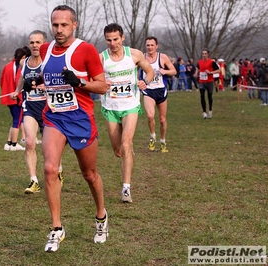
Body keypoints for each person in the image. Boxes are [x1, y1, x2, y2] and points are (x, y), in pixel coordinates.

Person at [38, 4, 109, 252]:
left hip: (80, 119)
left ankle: (101, 216)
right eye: (55, 25)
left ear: (74, 25)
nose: (59, 29)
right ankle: (56, 228)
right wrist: (34, 81)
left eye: (64, 25)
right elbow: (49, 79)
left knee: (89, 175)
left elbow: (102, 86)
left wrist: (79, 82)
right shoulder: (46, 50)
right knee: (49, 168)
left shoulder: (86, 50)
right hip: (54, 117)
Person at [99, 23, 154, 203]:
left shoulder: (134, 54)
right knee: (118, 151)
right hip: (111, 107)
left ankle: (126, 189)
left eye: (116, 39)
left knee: (126, 143)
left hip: (130, 105)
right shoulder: (102, 58)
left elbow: (150, 70)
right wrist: (101, 85)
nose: (112, 43)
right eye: (109, 40)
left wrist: (145, 81)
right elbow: (93, 79)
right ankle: (128, 155)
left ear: (122, 38)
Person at [11, 30, 64, 194]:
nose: (35, 45)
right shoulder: (24, 62)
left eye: (38, 42)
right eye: (32, 42)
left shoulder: (49, 62)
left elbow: (59, 83)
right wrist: (17, 90)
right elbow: (21, 78)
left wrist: (42, 86)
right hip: (30, 108)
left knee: (51, 148)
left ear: (44, 44)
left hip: (49, 109)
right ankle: (34, 181)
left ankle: (58, 171)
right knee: (29, 142)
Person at [140, 36, 177, 153]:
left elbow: (174, 71)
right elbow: (133, 71)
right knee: (150, 116)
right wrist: (138, 81)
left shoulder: (163, 57)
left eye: (152, 45)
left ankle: (162, 140)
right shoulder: (142, 58)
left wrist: (165, 71)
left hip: (161, 90)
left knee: (162, 119)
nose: (150, 47)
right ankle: (152, 137)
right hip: (148, 90)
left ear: (157, 46)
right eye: (148, 45)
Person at [0, 48, 27, 151]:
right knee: (18, 120)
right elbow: (18, 81)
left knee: (15, 119)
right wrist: (18, 93)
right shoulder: (19, 67)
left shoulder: (6, 66)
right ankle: (14, 144)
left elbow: (1, 80)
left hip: (7, 97)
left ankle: (9, 142)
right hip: (16, 98)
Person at [194, 49, 220, 119]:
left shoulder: (211, 62)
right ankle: (204, 112)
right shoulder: (199, 62)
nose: (204, 55)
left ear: (208, 54)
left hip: (209, 81)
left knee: (209, 96)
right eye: (203, 54)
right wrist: (196, 73)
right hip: (202, 81)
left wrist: (210, 72)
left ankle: (210, 110)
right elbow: (198, 67)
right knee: (202, 95)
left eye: (205, 54)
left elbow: (218, 70)